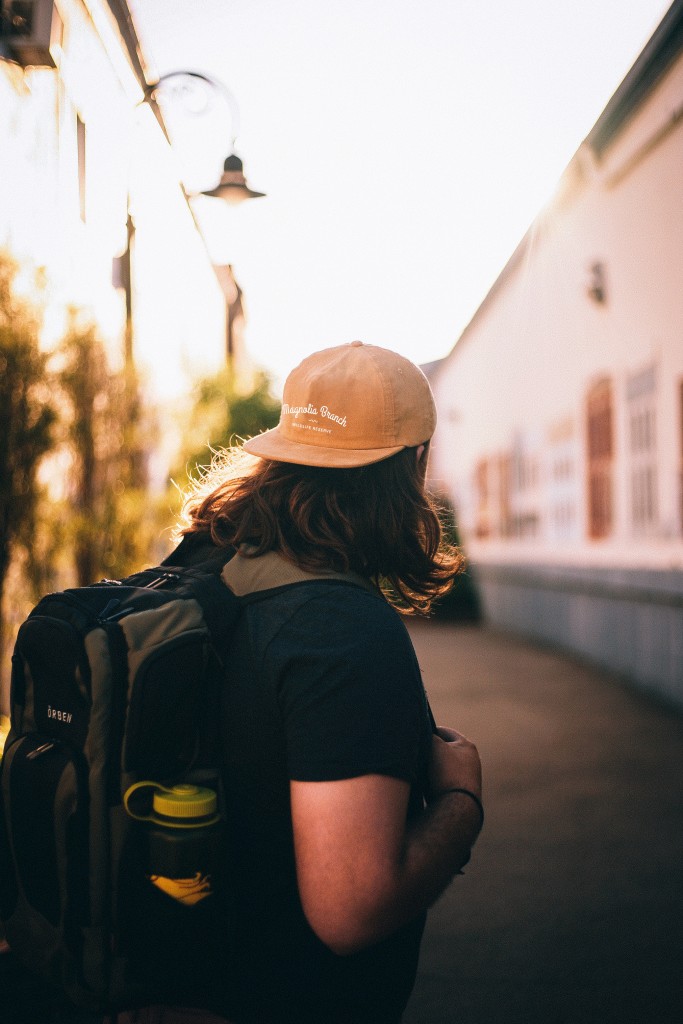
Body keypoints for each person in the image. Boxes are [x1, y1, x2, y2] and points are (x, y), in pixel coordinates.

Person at [126, 340, 483, 1024]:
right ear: (412, 464)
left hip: (161, 988)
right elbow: (351, 908)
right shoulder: (341, 631)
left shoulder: (202, 571)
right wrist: (462, 798)